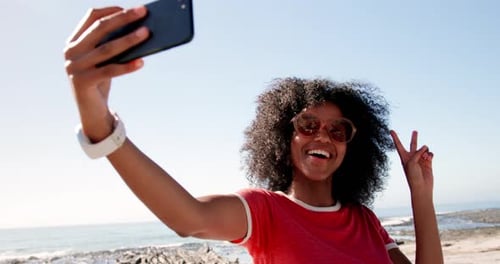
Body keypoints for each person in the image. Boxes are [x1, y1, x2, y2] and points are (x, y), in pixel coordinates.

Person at [64, 5, 444, 264]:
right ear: (284, 136)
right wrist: (104, 130)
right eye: (307, 125)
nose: (323, 137)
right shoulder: (264, 212)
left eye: (338, 130)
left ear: (351, 145)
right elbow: (188, 218)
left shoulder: (364, 220)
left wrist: (420, 195)